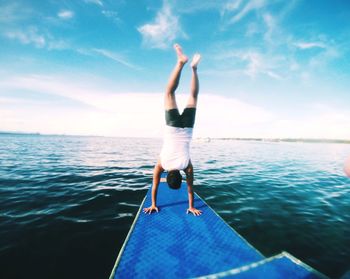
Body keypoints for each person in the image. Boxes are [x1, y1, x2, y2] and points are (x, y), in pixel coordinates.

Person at [143, 44, 202, 216]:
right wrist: (153, 204)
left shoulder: (186, 166)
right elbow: (154, 186)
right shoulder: (162, 164)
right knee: (169, 93)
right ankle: (180, 63)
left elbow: (190, 188)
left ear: (180, 176)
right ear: (167, 175)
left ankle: (194, 69)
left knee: (193, 96)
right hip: (172, 127)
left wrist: (190, 206)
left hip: (188, 129)